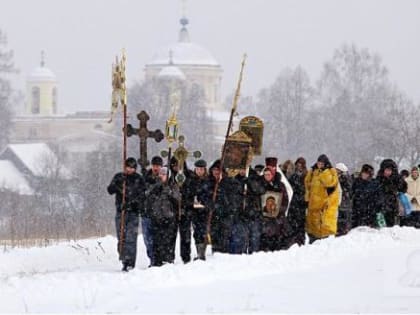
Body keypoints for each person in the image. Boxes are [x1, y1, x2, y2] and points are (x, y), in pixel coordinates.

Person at [107, 157, 146, 271]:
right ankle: (124, 259)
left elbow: (142, 195)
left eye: (132, 168)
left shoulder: (138, 179)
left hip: (133, 213)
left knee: (131, 238)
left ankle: (130, 262)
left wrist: (132, 203)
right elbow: (110, 190)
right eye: (127, 167)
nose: (129, 170)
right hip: (121, 212)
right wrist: (117, 186)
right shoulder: (119, 177)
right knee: (121, 237)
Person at [146, 166, 181, 267]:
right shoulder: (155, 185)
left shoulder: (173, 186)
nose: (161, 176)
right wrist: (156, 188)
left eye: (164, 174)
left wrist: (169, 192)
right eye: (160, 174)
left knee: (168, 240)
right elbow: (148, 196)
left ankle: (168, 259)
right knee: (157, 240)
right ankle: (157, 261)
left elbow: (177, 199)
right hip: (156, 217)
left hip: (169, 217)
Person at [305, 154, 340, 243]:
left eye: (322, 163)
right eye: (318, 163)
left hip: (323, 206)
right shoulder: (313, 172)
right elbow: (307, 184)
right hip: (313, 204)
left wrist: (324, 172)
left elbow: (330, 184)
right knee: (313, 227)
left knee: (323, 228)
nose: (319, 165)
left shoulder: (330, 173)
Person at [260, 165, 291, 251]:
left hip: (278, 216)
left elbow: (285, 200)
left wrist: (278, 210)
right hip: (265, 216)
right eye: (265, 174)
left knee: (279, 230)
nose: (267, 176)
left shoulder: (280, 185)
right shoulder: (261, 185)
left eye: (269, 174)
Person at [142, 155, 163, 266]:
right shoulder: (146, 177)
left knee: (158, 239)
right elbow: (144, 192)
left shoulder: (164, 178)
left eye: (158, 166)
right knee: (147, 239)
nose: (156, 168)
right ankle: (152, 258)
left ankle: (157, 260)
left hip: (159, 214)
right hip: (146, 212)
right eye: (154, 165)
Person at [376, 159, 406, 227]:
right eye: (386, 170)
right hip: (380, 206)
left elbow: (403, 188)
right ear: (383, 170)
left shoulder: (395, 179)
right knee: (381, 228)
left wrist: (399, 179)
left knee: (391, 226)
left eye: (390, 170)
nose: (388, 172)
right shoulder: (379, 179)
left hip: (392, 207)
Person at [190, 159, 211, 260]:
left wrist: (205, 203)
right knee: (196, 232)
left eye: (201, 169)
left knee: (203, 231)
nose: (199, 171)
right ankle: (199, 252)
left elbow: (210, 195)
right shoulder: (191, 180)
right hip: (194, 211)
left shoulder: (208, 181)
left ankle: (202, 253)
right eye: (198, 169)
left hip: (205, 210)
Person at [287, 157, 307, 246]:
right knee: (292, 224)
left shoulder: (306, 176)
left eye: (300, 165)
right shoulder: (293, 176)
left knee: (301, 224)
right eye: (297, 165)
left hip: (302, 204)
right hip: (293, 203)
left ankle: (300, 241)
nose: (299, 166)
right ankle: (293, 241)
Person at [335, 162, 353, 236]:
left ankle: (344, 231)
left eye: (338, 171)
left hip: (345, 203)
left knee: (344, 219)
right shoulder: (335, 178)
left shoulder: (346, 179)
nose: (336, 172)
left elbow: (348, 189)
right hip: (338, 203)